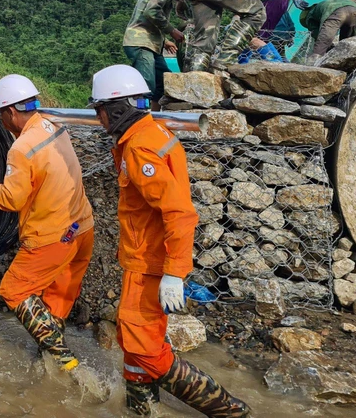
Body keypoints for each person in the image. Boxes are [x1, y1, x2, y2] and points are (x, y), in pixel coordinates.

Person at [88, 64, 251, 417]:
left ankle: (229, 411)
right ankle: (141, 409)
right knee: (133, 342)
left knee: (143, 345)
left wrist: (175, 272)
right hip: (143, 259)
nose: (99, 120)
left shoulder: (141, 150)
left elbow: (178, 212)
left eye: (100, 110)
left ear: (116, 108)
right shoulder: (148, 134)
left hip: (149, 263)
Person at [0, 75, 95, 376]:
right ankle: (51, 363)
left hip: (52, 237)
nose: (2, 119)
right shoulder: (53, 124)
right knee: (56, 299)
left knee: (13, 290)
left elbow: (12, 198)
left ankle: (67, 362)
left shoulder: (20, 149)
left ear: (11, 112)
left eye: (2, 113)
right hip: (81, 227)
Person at [123, 0, 183, 109]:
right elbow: (152, 11)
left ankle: (153, 117)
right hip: (141, 42)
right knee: (146, 84)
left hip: (150, 42)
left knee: (162, 83)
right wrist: (172, 31)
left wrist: (164, 40)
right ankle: (138, 118)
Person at [299, 0, 356, 64]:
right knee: (345, 43)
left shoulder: (310, 16)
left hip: (336, 12)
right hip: (354, 9)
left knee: (322, 43)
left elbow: (318, 34)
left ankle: (312, 65)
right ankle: (349, 63)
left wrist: (329, 47)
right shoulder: (321, 5)